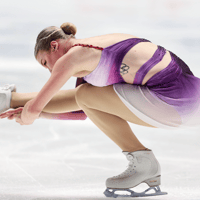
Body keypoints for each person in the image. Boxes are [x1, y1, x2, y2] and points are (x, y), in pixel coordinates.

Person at [0, 22, 200, 197]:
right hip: (190, 94)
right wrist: (17, 104)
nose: (51, 70)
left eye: (45, 63)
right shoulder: (91, 50)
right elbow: (81, 109)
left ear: (54, 46)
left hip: (177, 102)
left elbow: (34, 111)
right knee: (86, 95)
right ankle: (9, 98)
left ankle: (143, 162)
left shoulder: (73, 57)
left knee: (86, 94)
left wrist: (28, 114)